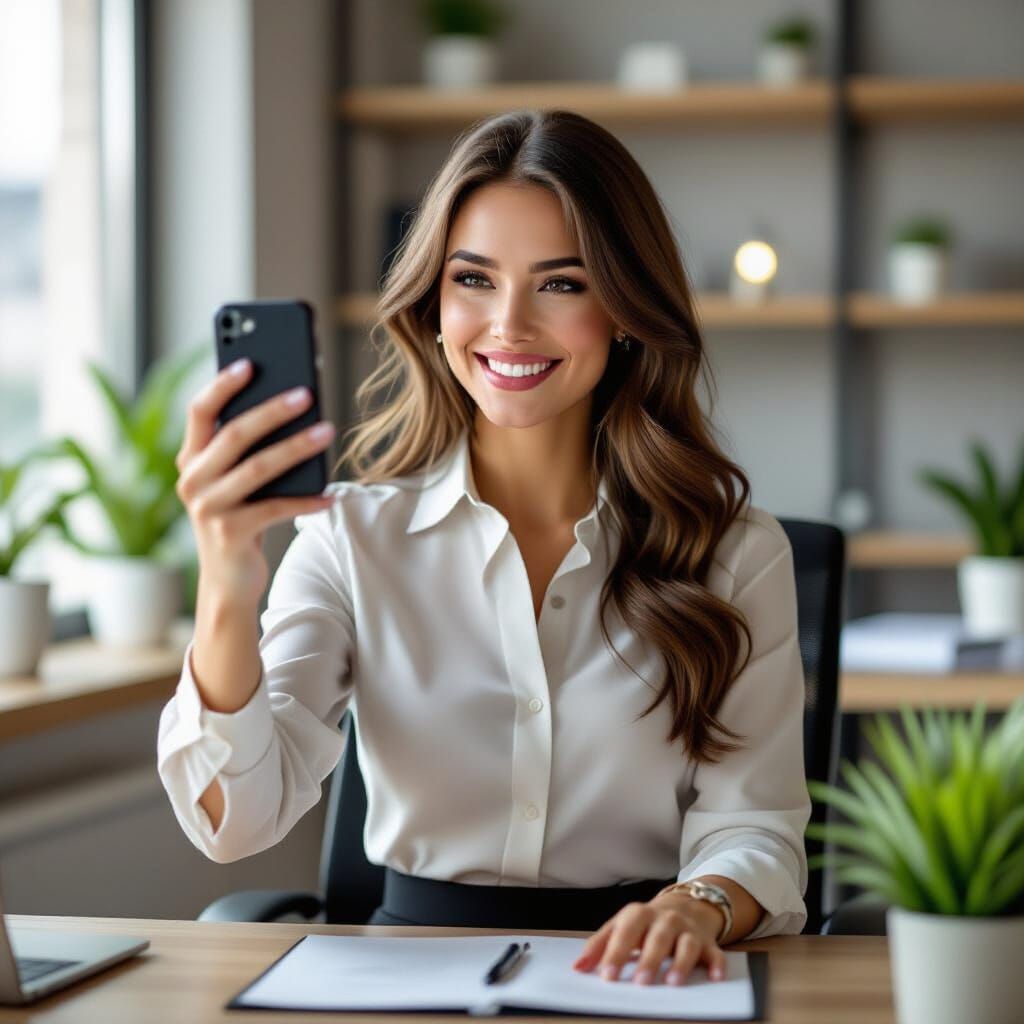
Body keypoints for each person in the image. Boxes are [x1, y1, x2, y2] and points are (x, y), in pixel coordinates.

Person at [159, 109, 811, 988]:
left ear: (625, 308)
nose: (507, 325)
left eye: (562, 284)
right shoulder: (351, 537)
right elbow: (234, 820)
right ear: (432, 304)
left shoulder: (735, 552)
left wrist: (698, 903)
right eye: (473, 279)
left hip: (643, 974)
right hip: (402, 977)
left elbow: (757, 826)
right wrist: (227, 582)